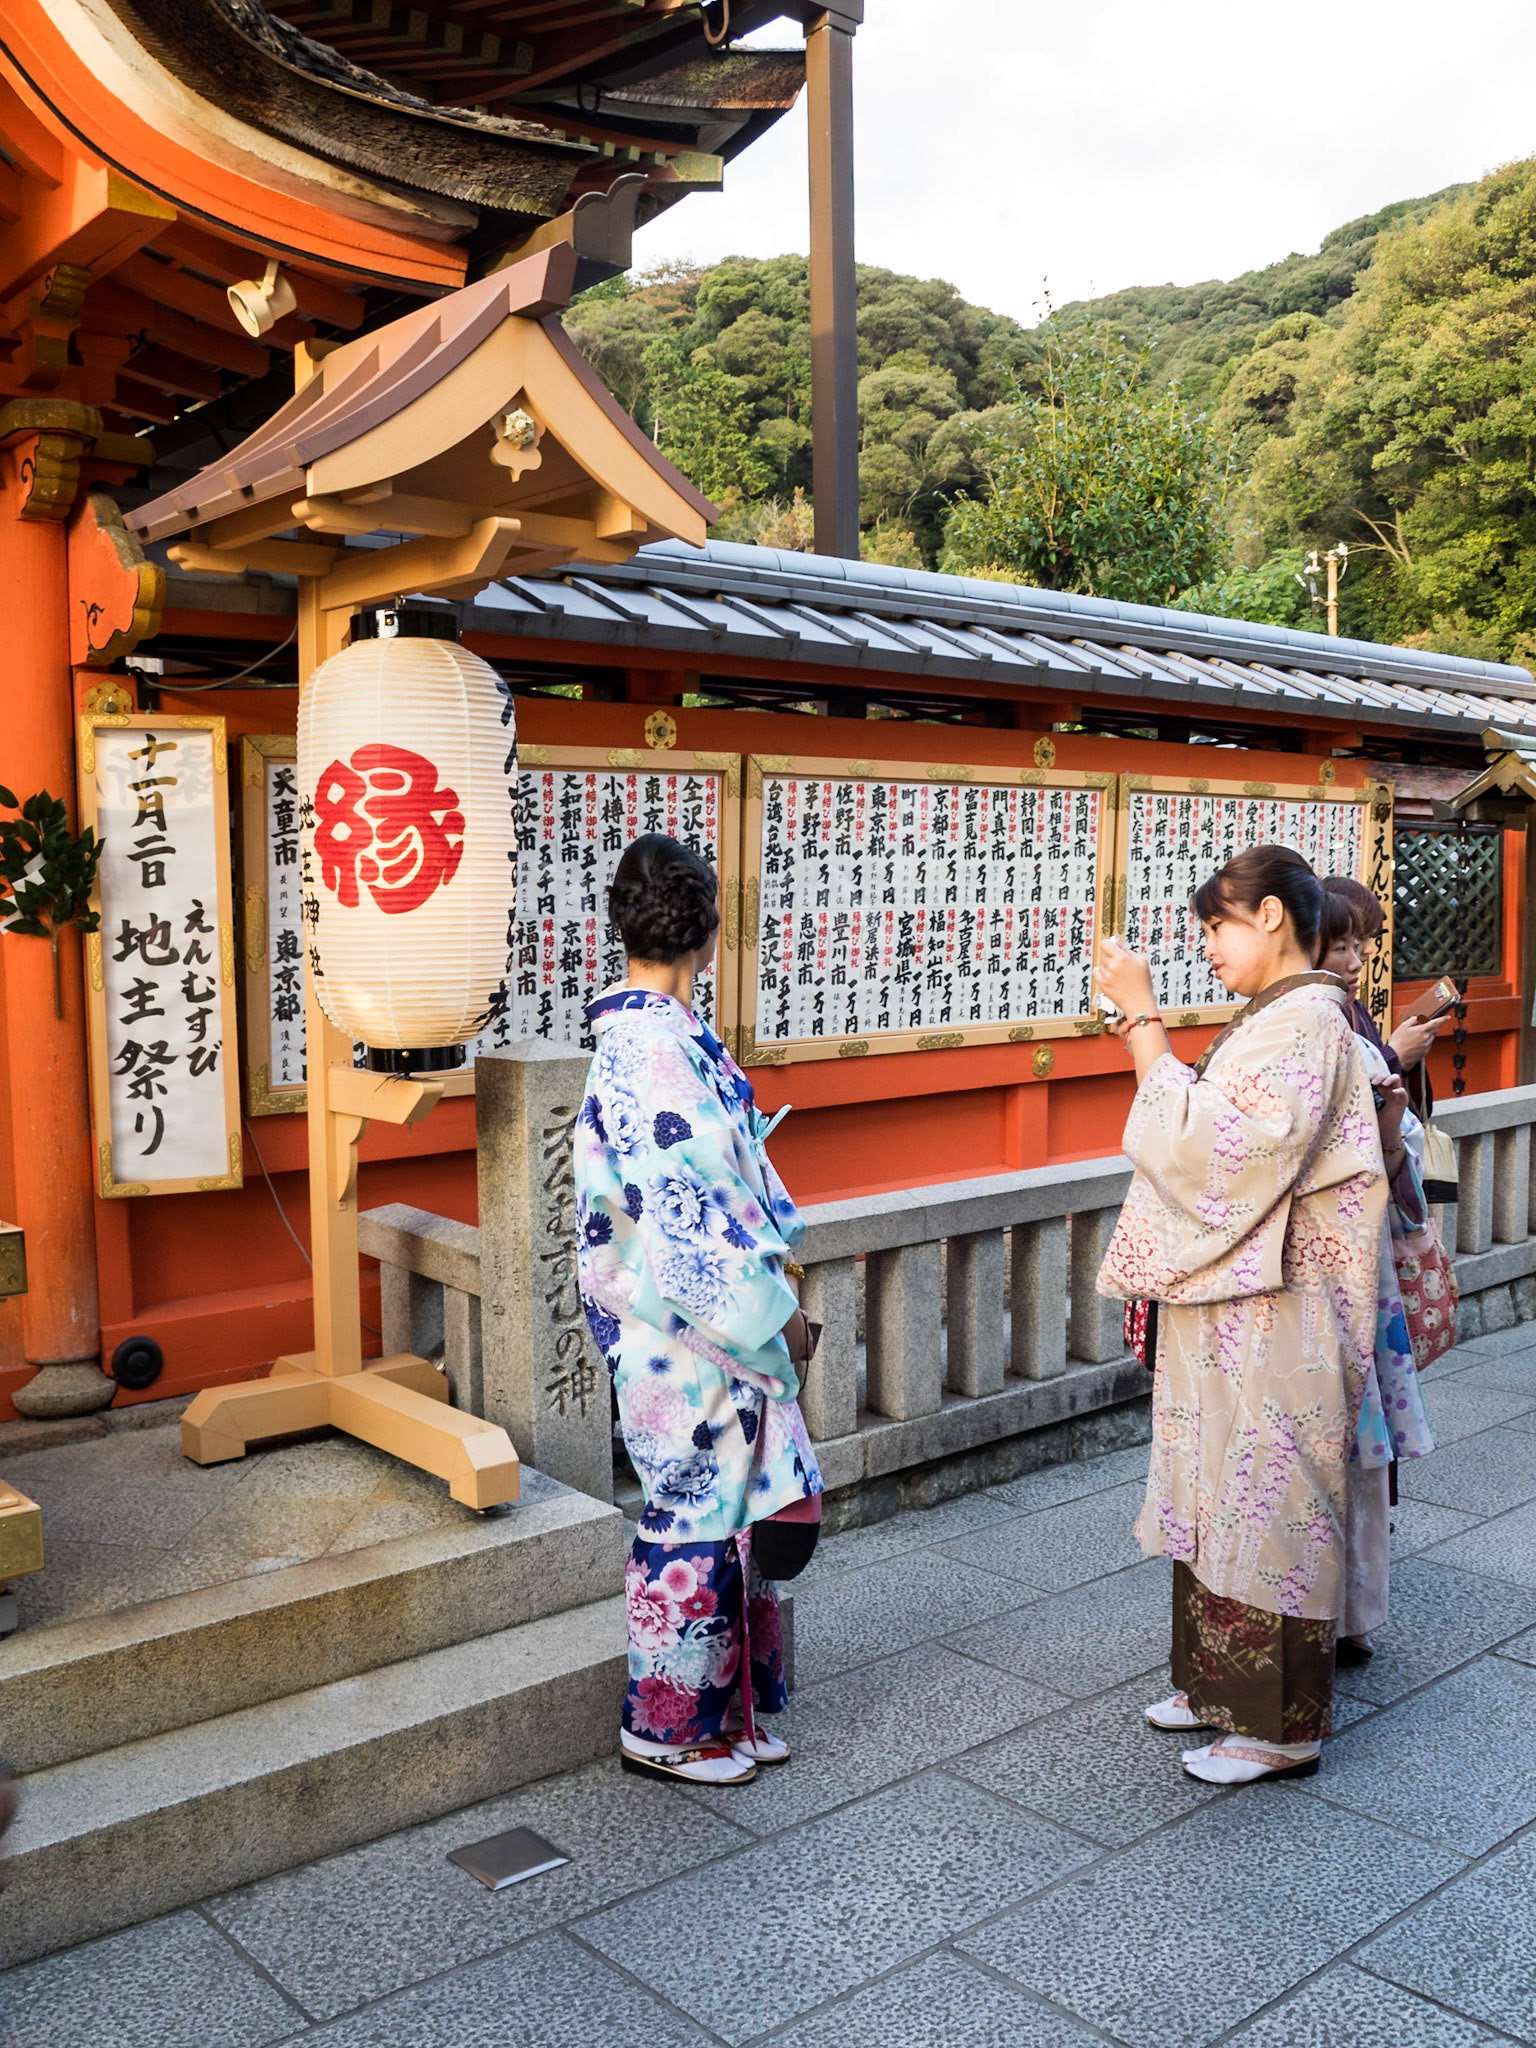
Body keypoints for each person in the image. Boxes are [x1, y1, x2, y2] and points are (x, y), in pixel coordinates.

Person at [1095, 845, 1386, 1784]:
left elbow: (1210, 1150)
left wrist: (1145, 1022)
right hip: (1242, 1302)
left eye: (1217, 925)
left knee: (1269, 1498)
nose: (1208, 946)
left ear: (1269, 917)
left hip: (1281, 1308)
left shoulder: (1304, 1020)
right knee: (1215, 1487)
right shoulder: (1279, 1018)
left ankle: (1277, 1724)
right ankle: (1215, 1686)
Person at [574, 833, 822, 1788]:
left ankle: (730, 1711)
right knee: (696, 1509)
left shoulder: (648, 1040)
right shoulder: (658, 1051)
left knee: (742, 1508)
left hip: (684, 1317)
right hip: (688, 1325)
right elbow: (698, 1225)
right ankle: (668, 1729)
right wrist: (778, 1319)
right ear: (709, 935)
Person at [1316, 884, 1436, 1659]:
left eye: (1364, 945)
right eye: (1343, 945)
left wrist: (1394, 1062)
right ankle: (1345, 1609)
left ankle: (1353, 1610)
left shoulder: (1344, 1023)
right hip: (1331, 1267)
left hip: (1354, 1263)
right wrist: (1393, 1055)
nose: (1357, 961)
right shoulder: (1318, 1025)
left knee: (1360, 1447)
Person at [1320, 873, 1443, 1119]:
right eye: (1356, 940)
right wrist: (1397, 1054)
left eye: (1369, 937)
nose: (1367, 950)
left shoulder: (1353, 1004)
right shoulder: (1320, 1012)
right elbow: (1343, 1098)